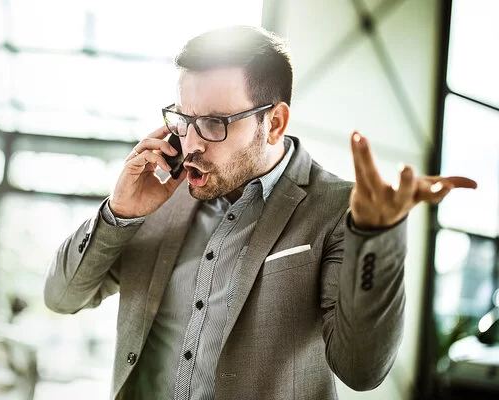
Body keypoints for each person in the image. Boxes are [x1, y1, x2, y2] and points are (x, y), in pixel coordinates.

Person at [44, 25, 476, 399]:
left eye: (214, 123)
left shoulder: (335, 210)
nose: (191, 143)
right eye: (182, 118)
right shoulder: (157, 191)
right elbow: (62, 296)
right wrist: (119, 213)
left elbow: (362, 371)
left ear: (274, 123)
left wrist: (377, 236)